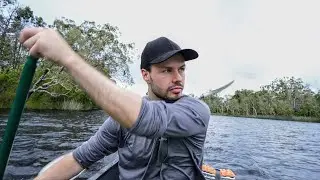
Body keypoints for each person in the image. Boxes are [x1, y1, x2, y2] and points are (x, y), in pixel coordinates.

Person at [19, 28, 211, 180]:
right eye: (167, 71)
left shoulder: (196, 111)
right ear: (146, 75)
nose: (178, 78)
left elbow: (149, 119)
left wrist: (68, 58)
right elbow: (79, 159)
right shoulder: (120, 120)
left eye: (182, 69)